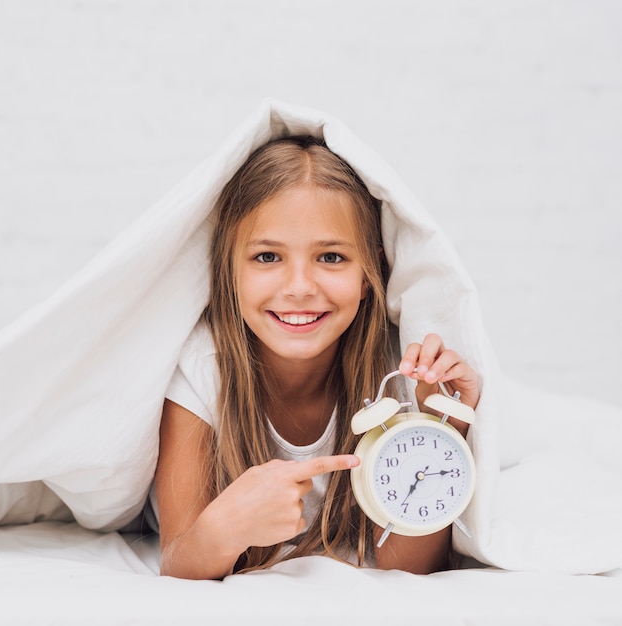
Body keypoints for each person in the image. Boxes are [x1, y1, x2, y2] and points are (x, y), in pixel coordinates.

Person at [153, 135, 481, 580]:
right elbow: (178, 564)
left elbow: (408, 569)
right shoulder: (202, 367)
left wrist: (443, 428)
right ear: (229, 273)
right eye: (267, 256)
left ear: (370, 275)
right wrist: (227, 527)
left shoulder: (397, 370)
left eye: (331, 257)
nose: (300, 287)